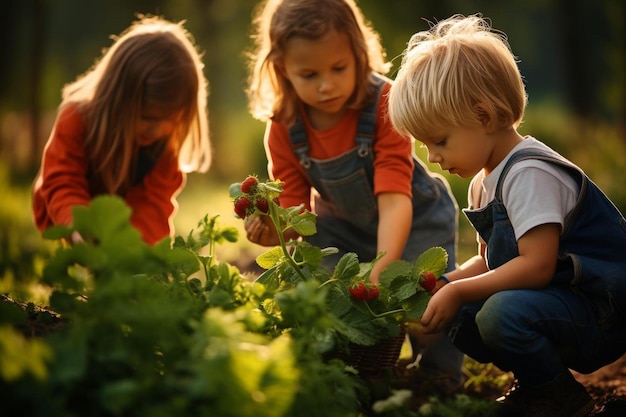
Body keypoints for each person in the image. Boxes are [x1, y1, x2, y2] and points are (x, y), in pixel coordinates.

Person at [388, 14, 626, 417]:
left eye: (440, 141)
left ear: (483, 117)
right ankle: (537, 383)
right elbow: (490, 260)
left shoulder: (529, 173)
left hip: (601, 308)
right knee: (463, 310)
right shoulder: (485, 179)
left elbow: (535, 266)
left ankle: (563, 399)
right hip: (562, 302)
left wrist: (460, 290)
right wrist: (447, 283)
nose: (434, 157)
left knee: (498, 311)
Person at [244, 0, 464, 395]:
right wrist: (272, 230)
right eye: (308, 74)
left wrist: (380, 270)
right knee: (334, 303)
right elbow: (295, 210)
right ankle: (358, 377)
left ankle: (440, 379)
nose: (326, 84)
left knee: (422, 302)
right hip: (340, 228)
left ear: (359, 55)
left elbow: (395, 197)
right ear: (281, 70)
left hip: (414, 218)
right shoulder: (283, 127)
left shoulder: (384, 103)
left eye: (338, 68)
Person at [32, 15, 211, 245]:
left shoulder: (165, 144)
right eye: (147, 118)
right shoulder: (77, 118)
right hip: (63, 212)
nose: (157, 129)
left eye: (170, 120)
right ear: (118, 101)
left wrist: (139, 259)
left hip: (122, 218)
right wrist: (81, 230)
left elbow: (152, 208)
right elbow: (64, 181)